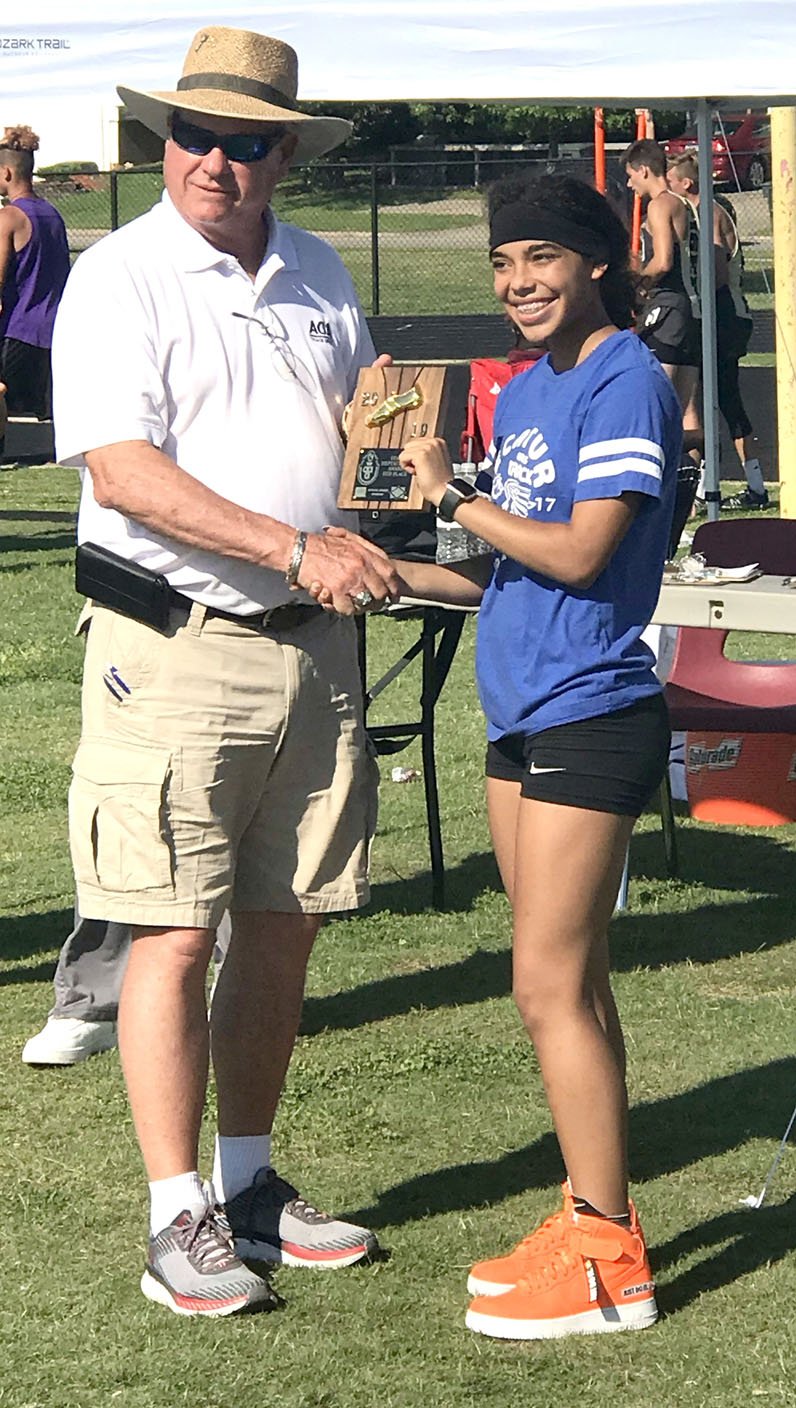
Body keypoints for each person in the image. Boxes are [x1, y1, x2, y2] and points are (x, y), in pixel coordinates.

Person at [51, 25, 400, 1319]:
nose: (215, 159)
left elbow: (364, 428)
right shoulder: (123, 275)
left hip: (316, 654)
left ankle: (247, 1184)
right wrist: (292, 544)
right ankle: (173, 1216)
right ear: (162, 143)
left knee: (285, 927)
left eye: (246, 140)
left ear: (284, 154)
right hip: (174, 646)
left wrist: (400, 490)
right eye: (194, 134)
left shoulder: (315, 267)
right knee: (171, 932)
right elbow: (119, 466)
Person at [368, 172, 680, 1340]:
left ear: (596, 261)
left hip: (592, 713)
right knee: (573, 983)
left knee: (545, 984)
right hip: (518, 721)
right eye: (504, 264)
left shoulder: (624, 379)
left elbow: (583, 550)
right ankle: (589, 1212)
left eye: (541, 257)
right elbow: (505, 568)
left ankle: (608, 1263)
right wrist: (389, 571)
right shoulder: (536, 390)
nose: (518, 282)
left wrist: (454, 493)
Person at [666, 151, 769, 510]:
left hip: (725, 315)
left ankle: (736, 486)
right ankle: (726, 484)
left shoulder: (708, 212)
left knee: (719, 399)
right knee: (712, 398)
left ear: (686, 183)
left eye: (672, 183)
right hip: (717, 314)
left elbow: (718, 276)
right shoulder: (697, 214)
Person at [0, 125, 69, 460]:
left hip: (17, 333)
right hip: (55, 332)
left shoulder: (9, 217)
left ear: (6, 172)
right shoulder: (54, 215)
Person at [621, 138, 701, 415]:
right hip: (692, 308)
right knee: (678, 412)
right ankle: (695, 459)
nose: (630, 185)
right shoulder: (685, 205)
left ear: (643, 170)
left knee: (652, 402)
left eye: (631, 177)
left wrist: (635, 283)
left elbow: (664, 261)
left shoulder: (660, 205)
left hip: (668, 308)